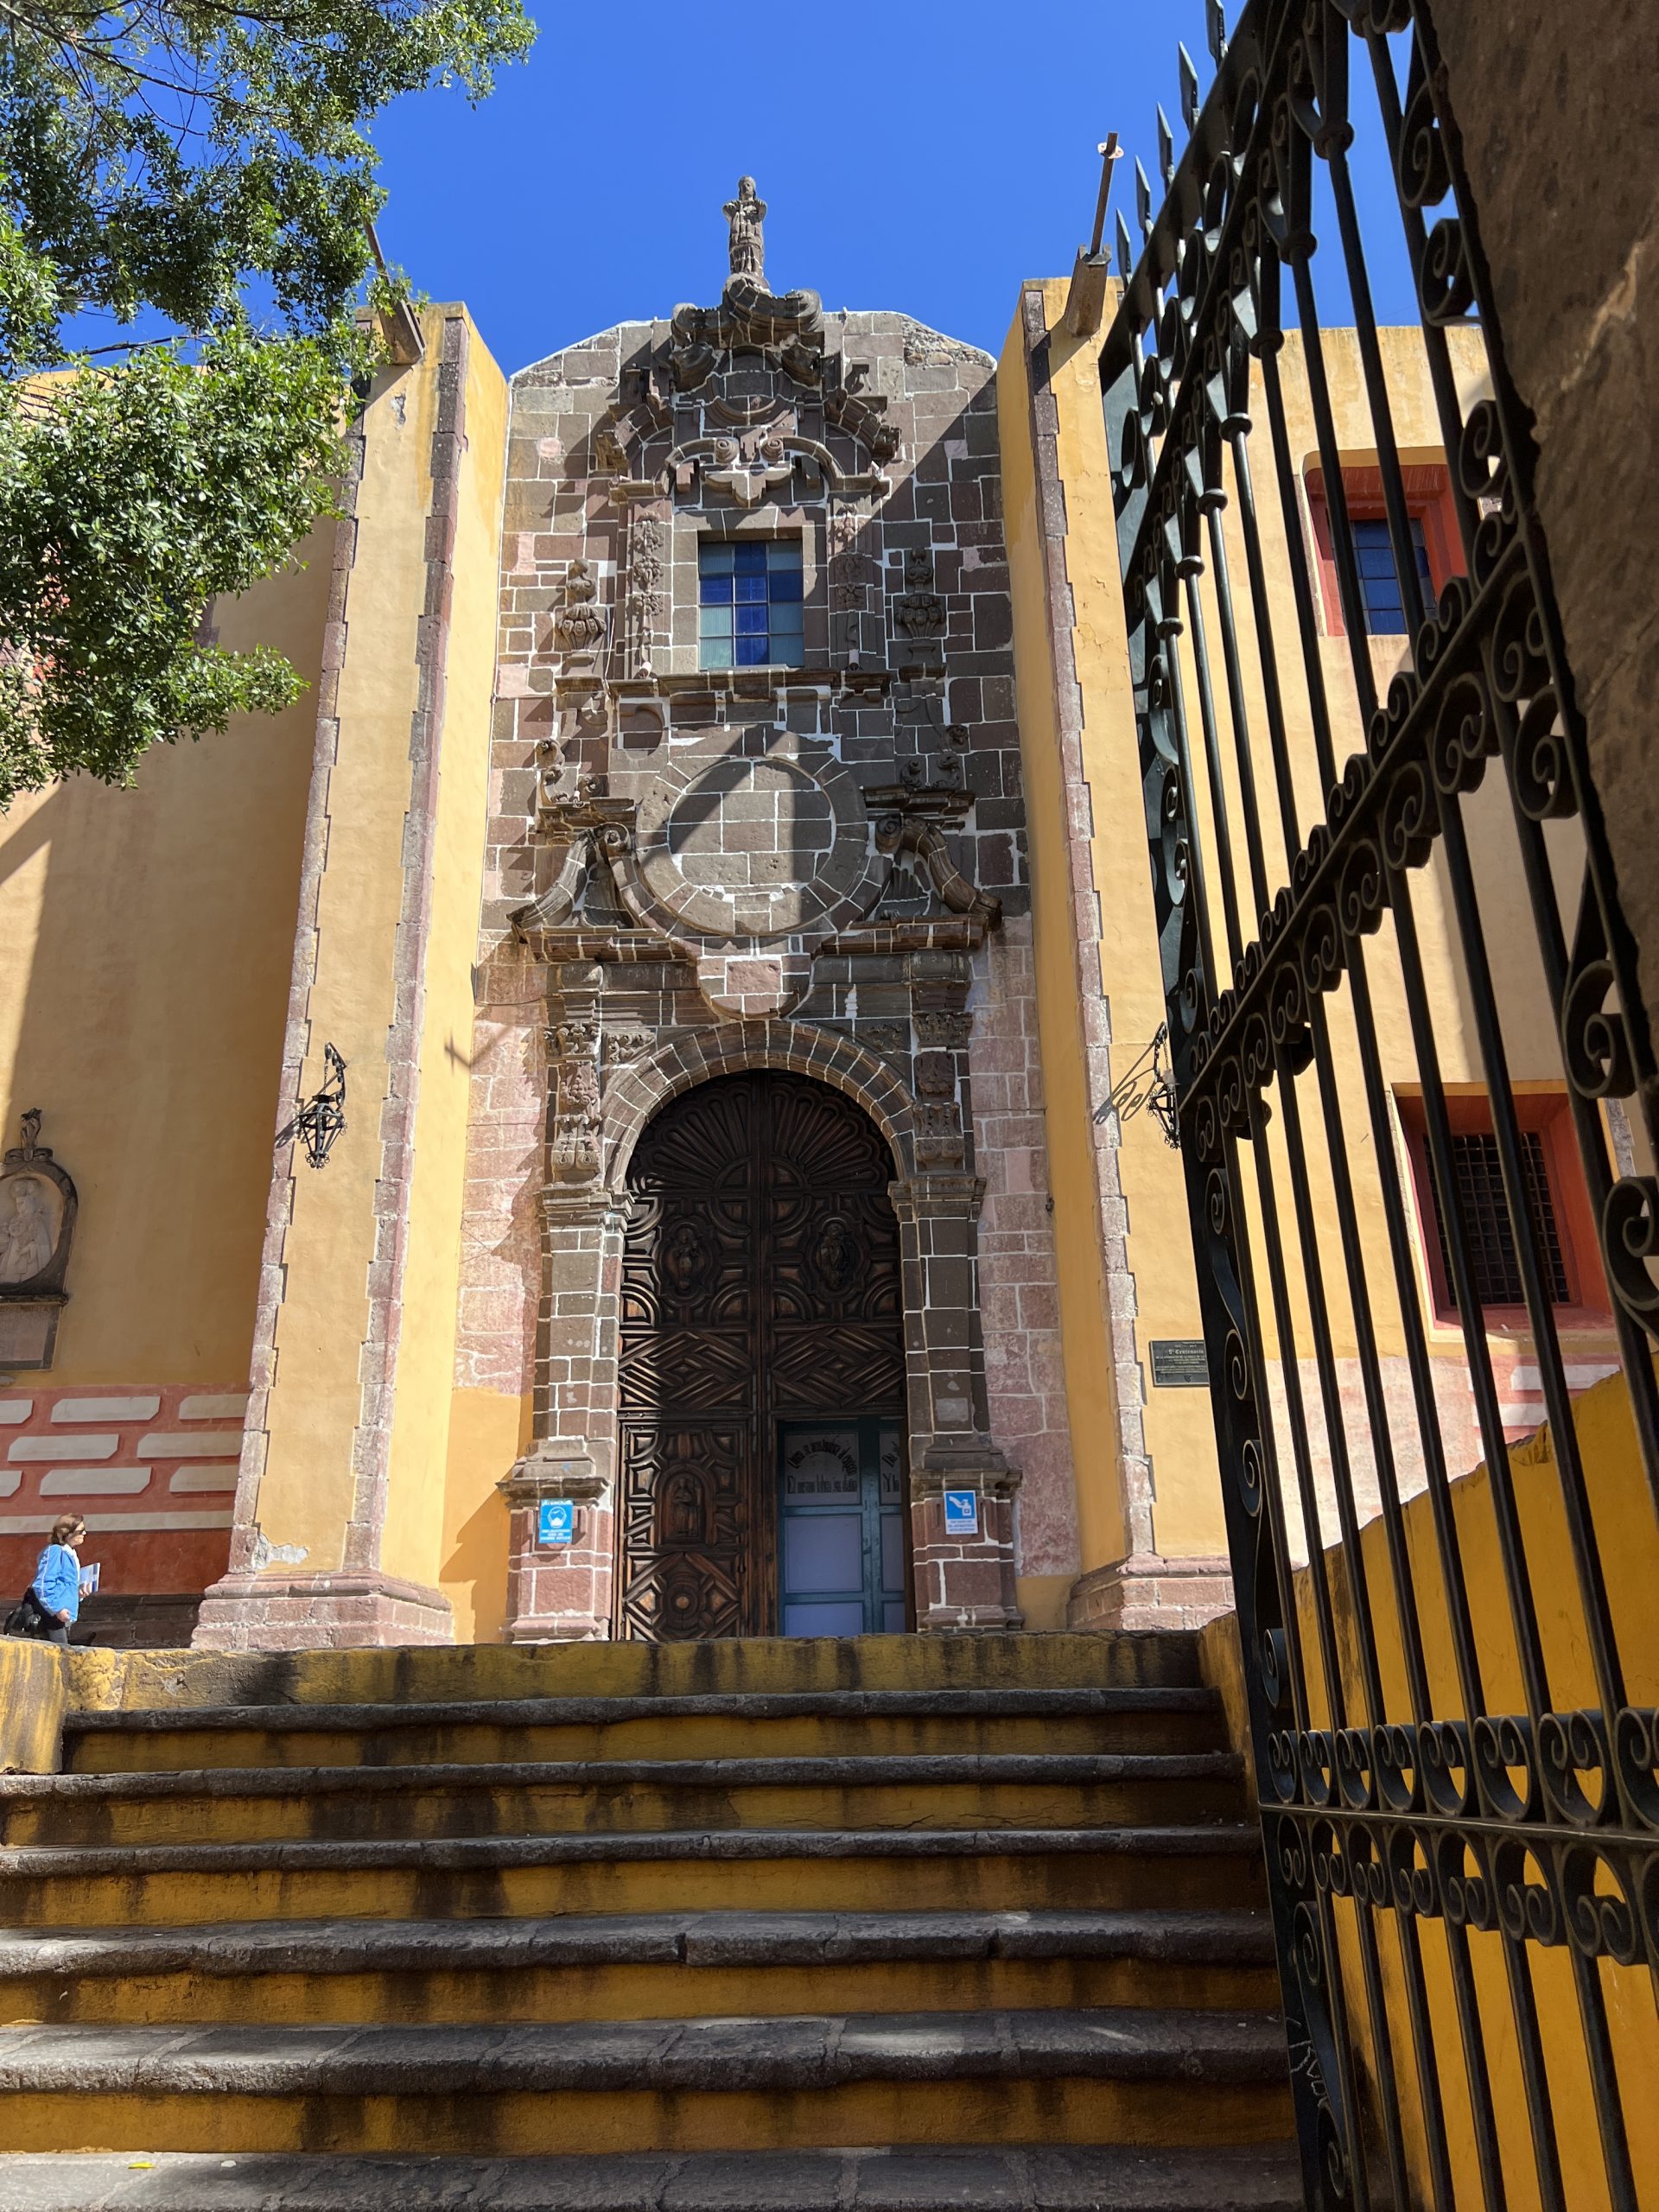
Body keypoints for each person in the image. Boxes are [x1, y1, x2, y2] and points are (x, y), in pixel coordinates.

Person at [30, 1515, 86, 1645]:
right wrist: (57, 1609)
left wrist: (79, 1594)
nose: (84, 1533)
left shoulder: (71, 1553)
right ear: (67, 1533)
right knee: (59, 1656)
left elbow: (64, 1585)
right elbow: (43, 1584)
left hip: (62, 1616)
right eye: (80, 1530)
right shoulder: (56, 1551)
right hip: (51, 1617)